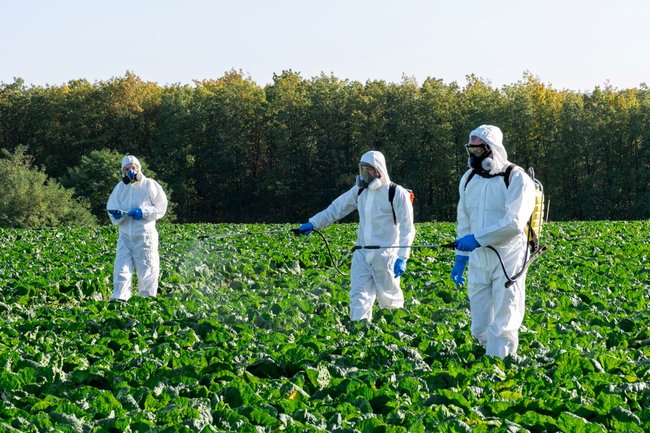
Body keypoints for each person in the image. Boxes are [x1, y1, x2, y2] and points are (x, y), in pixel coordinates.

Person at [298, 150, 416, 321]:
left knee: (390, 301)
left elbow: (407, 227)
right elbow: (336, 209)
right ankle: (360, 336)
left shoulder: (395, 193)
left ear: (379, 170)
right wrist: (313, 223)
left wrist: (402, 257)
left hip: (386, 255)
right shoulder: (360, 191)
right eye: (363, 169)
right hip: (361, 253)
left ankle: (395, 333)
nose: (365, 174)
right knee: (358, 298)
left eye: (369, 169)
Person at [451, 125, 536, 358]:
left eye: (478, 151)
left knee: (504, 322)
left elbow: (514, 223)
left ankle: (501, 368)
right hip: (479, 257)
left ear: (492, 150)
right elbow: (464, 218)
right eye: (471, 150)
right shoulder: (469, 179)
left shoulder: (516, 178)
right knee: (480, 326)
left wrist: (477, 238)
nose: (474, 156)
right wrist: (461, 256)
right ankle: (488, 360)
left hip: (509, 256)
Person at [107, 155, 168, 301]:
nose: (130, 171)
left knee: (147, 270)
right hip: (125, 236)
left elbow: (161, 207)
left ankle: (146, 302)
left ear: (138, 168)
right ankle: (119, 300)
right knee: (122, 269)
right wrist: (117, 215)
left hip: (145, 236)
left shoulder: (149, 185)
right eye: (126, 169)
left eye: (132, 168)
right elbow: (111, 207)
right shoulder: (120, 187)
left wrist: (144, 212)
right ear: (123, 171)